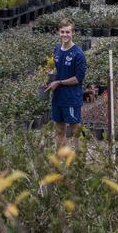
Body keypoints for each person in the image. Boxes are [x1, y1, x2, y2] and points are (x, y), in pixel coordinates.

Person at [46, 18, 87, 147]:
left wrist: (59, 82)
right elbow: (56, 69)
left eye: (68, 32)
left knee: (75, 130)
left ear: (73, 33)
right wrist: (49, 80)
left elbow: (78, 78)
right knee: (60, 130)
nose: (65, 35)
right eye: (62, 32)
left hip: (71, 98)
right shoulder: (57, 49)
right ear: (59, 32)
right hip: (57, 97)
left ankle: (80, 161)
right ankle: (61, 161)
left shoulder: (78, 54)